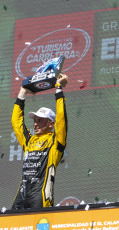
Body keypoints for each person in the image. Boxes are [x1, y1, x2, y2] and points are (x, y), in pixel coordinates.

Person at [11, 74, 68, 209]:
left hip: (41, 196)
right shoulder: (29, 140)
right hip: (22, 194)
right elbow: (16, 122)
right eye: (35, 120)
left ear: (50, 124)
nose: (35, 124)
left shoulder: (56, 142)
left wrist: (59, 89)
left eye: (40, 120)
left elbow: (61, 121)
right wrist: (22, 93)